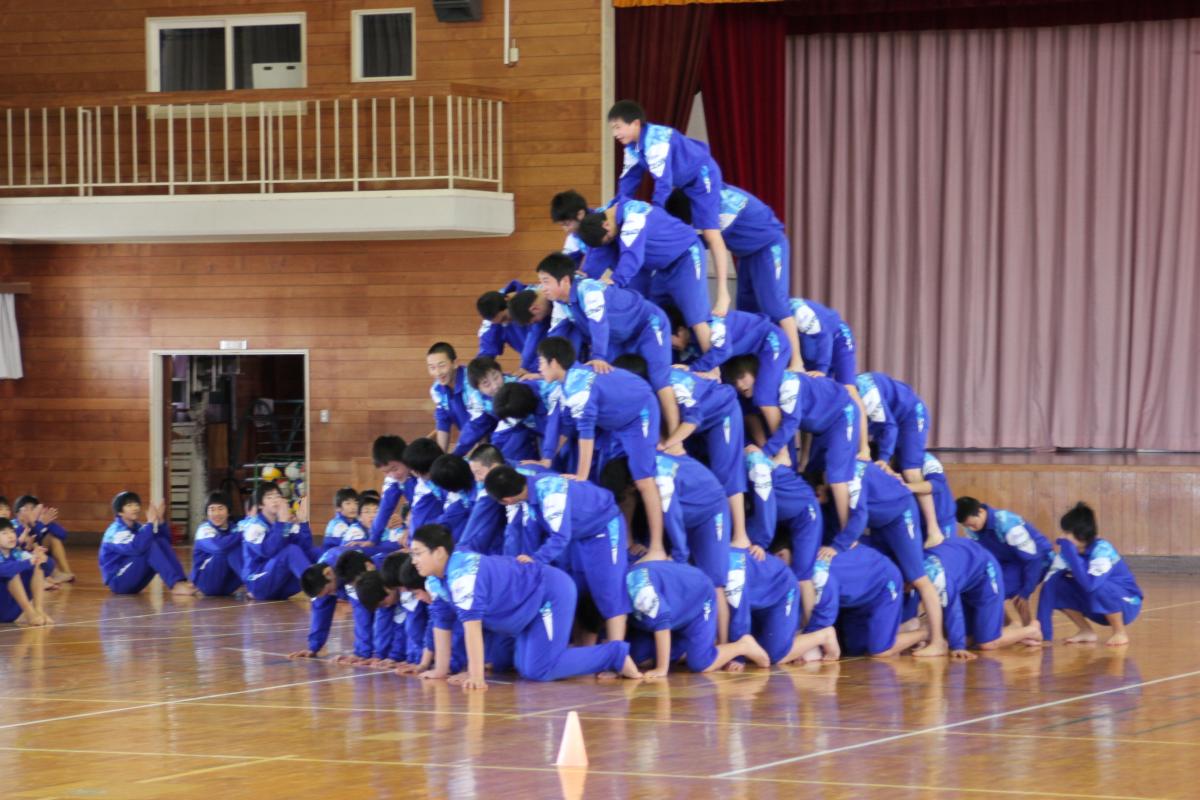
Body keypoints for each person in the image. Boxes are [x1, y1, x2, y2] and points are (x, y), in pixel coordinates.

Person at [409, 523, 641, 690]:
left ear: (439, 553)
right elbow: (441, 621)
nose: (414, 560)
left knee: (540, 670)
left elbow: (472, 627)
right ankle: (610, 655)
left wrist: (475, 675)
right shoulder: (434, 579)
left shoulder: (463, 575)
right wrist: (440, 670)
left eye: (418, 554)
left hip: (550, 593)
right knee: (525, 667)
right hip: (527, 610)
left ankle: (614, 654)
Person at [538, 336, 668, 562]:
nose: (538, 368)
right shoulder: (568, 381)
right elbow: (565, 428)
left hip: (639, 413)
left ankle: (658, 549)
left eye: (541, 362)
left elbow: (585, 434)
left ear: (555, 362)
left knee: (644, 480)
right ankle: (629, 541)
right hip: (617, 421)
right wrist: (546, 460)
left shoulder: (578, 387)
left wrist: (581, 476)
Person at [608, 99, 733, 316]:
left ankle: (723, 294)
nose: (615, 133)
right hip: (682, 183)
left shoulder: (656, 140)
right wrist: (614, 210)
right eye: (613, 129)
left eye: (618, 127)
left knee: (712, 233)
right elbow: (628, 182)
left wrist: (654, 215)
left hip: (702, 176)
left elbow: (662, 183)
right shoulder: (632, 147)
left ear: (635, 124)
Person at [535, 252, 679, 434]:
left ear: (564, 281)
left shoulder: (588, 289)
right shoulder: (560, 304)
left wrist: (599, 356)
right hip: (618, 338)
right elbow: (554, 341)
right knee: (611, 380)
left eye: (546, 281)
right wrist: (543, 369)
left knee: (659, 379)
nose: (543, 287)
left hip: (648, 325)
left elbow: (598, 324)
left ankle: (676, 438)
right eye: (541, 282)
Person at [485, 464, 631, 645]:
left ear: (506, 501)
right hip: (579, 536)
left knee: (611, 593)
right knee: (580, 589)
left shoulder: (550, 493)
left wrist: (536, 560)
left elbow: (560, 536)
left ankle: (618, 657)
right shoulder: (527, 492)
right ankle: (586, 648)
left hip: (604, 528)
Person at [817, 461, 948, 657]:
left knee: (918, 578)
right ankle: (904, 630)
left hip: (900, 513)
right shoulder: (835, 475)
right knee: (887, 573)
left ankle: (937, 639)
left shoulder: (849, 475)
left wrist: (838, 546)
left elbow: (859, 516)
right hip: (879, 523)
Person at [665, 185, 802, 372]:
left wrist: (723, 294)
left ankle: (797, 362)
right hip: (747, 254)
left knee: (775, 307)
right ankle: (755, 367)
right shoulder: (699, 195)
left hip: (769, 246)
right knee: (749, 310)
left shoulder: (714, 205)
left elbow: (716, 245)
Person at [577, 200, 713, 351]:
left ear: (606, 226)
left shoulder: (633, 216)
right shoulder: (602, 219)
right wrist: (582, 281)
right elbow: (596, 256)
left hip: (687, 256)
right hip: (662, 268)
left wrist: (615, 281)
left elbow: (632, 258)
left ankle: (713, 369)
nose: (610, 241)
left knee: (696, 318)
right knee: (652, 312)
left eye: (608, 239)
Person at [626, 560, 769, 677]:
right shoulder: (624, 590)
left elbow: (662, 625)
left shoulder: (639, 588)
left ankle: (743, 645)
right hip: (677, 604)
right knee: (638, 657)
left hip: (699, 598)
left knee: (700, 663)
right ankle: (693, 647)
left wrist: (661, 669)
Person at [1037, 502, 1142, 647]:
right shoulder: (1066, 554)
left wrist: (1072, 556)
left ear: (1081, 535)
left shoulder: (1102, 550)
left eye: (1067, 533)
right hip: (1097, 606)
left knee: (1099, 586)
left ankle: (1119, 632)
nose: (1062, 537)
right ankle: (1086, 631)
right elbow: (1048, 588)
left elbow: (1091, 585)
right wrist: (1044, 636)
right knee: (1057, 586)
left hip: (1126, 604)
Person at [674, 308, 791, 439]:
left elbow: (722, 351)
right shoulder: (691, 344)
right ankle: (766, 452)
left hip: (770, 341)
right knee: (744, 403)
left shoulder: (711, 324)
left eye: (670, 340)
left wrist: (691, 369)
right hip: (745, 356)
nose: (671, 347)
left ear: (680, 331)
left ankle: (783, 453)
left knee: (764, 398)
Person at [922, 536, 1043, 660]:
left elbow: (952, 606)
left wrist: (958, 647)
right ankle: (1011, 628)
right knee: (967, 639)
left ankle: (1031, 630)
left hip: (985, 575)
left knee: (987, 643)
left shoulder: (933, 574)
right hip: (965, 580)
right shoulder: (916, 572)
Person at [856, 371, 940, 538]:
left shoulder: (867, 391)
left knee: (911, 471)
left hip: (910, 415)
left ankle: (933, 529)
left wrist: (884, 459)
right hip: (885, 420)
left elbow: (890, 426)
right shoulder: (843, 397)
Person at [806, 545, 931, 658]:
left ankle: (925, 633)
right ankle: (905, 627)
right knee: (856, 648)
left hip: (884, 581)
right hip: (861, 585)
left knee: (880, 650)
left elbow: (821, 623)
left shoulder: (820, 579)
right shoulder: (806, 572)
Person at [744, 446, 822, 620]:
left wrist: (760, 542)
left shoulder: (753, 461)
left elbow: (764, 500)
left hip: (805, 511)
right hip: (780, 514)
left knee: (803, 575)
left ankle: (813, 631)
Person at [726, 545, 839, 665]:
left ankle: (824, 635)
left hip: (781, 591)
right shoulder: (715, 565)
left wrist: (737, 657)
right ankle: (794, 645)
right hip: (756, 602)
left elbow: (738, 612)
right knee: (757, 651)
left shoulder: (733, 565)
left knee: (774, 655)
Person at [956, 496, 1053, 626]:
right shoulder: (971, 528)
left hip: (1039, 560)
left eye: (972, 524)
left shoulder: (1006, 523)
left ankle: (1028, 627)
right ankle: (1011, 625)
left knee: (1000, 590)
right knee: (984, 586)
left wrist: (1026, 591)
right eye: (966, 526)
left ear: (980, 511)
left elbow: (1033, 558)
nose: (970, 528)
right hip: (1011, 561)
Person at [790, 297, 869, 455]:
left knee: (849, 390)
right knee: (807, 395)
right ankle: (804, 457)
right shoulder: (775, 324)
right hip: (812, 348)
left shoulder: (796, 310)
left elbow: (824, 334)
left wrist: (822, 369)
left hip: (838, 338)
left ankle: (864, 447)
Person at [100, 491, 196, 596]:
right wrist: (150, 523)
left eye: (136, 504)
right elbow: (137, 547)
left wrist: (160, 522)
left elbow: (165, 543)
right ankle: (175, 585)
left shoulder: (137, 527)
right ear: (120, 512)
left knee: (159, 541)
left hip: (135, 582)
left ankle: (180, 581)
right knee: (149, 545)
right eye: (129, 505)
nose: (135, 508)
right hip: (118, 581)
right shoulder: (115, 531)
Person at [240, 484, 315, 601]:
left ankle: (335, 589)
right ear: (260, 504)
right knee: (291, 551)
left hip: (280, 587)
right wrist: (282, 523)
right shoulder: (253, 526)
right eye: (269, 497)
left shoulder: (285, 522)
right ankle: (316, 588)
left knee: (316, 553)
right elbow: (267, 551)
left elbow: (305, 548)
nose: (275, 500)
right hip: (258, 583)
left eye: (277, 496)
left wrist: (303, 522)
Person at [190, 491, 244, 597]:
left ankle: (255, 581)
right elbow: (219, 547)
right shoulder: (204, 530)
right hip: (206, 582)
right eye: (212, 509)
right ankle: (252, 584)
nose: (216, 513)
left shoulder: (235, 528)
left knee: (245, 548)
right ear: (207, 513)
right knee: (228, 549)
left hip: (227, 586)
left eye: (220, 508)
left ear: (228, 511)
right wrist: (242, 534)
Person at [0, 518, 51, 626]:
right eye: (4, 533)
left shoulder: (17, 553)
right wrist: (28, 562)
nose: (10, 536)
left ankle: (38, 610)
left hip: (12, 610)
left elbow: (48, 567)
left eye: (12, 531)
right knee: (12, 572)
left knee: (37, 566)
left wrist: (40, 557)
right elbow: (3, 569)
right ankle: (30, 613)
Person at [12, 495, 74, 582]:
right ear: (18, 513)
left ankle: (66, 572)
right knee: (36, 548)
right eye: (26, 509)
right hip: (23, 556)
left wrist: (43, 524)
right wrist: (37, 524)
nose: (30, 513)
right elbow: (22, 543)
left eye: (33, 509)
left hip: (40, 554)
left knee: (54, 539)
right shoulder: (14, 525)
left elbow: (63, 535)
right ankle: (47, 577)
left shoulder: (39, 521)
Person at [428, 342, 469, 453]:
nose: (438, 372)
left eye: (442, 365)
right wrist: (440, 457)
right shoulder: (436, 390)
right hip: (472, 440)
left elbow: (480, 423)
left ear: (455, 363)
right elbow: (443, 422)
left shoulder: (471, 381)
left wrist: (458, 453)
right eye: (432, 368)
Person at [474, 280, 528, 363]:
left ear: (507, 300)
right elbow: (486, 352)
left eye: (504, 318)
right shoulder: (492, 322)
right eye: (499, 323)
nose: (504, 323)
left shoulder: (533, 296)